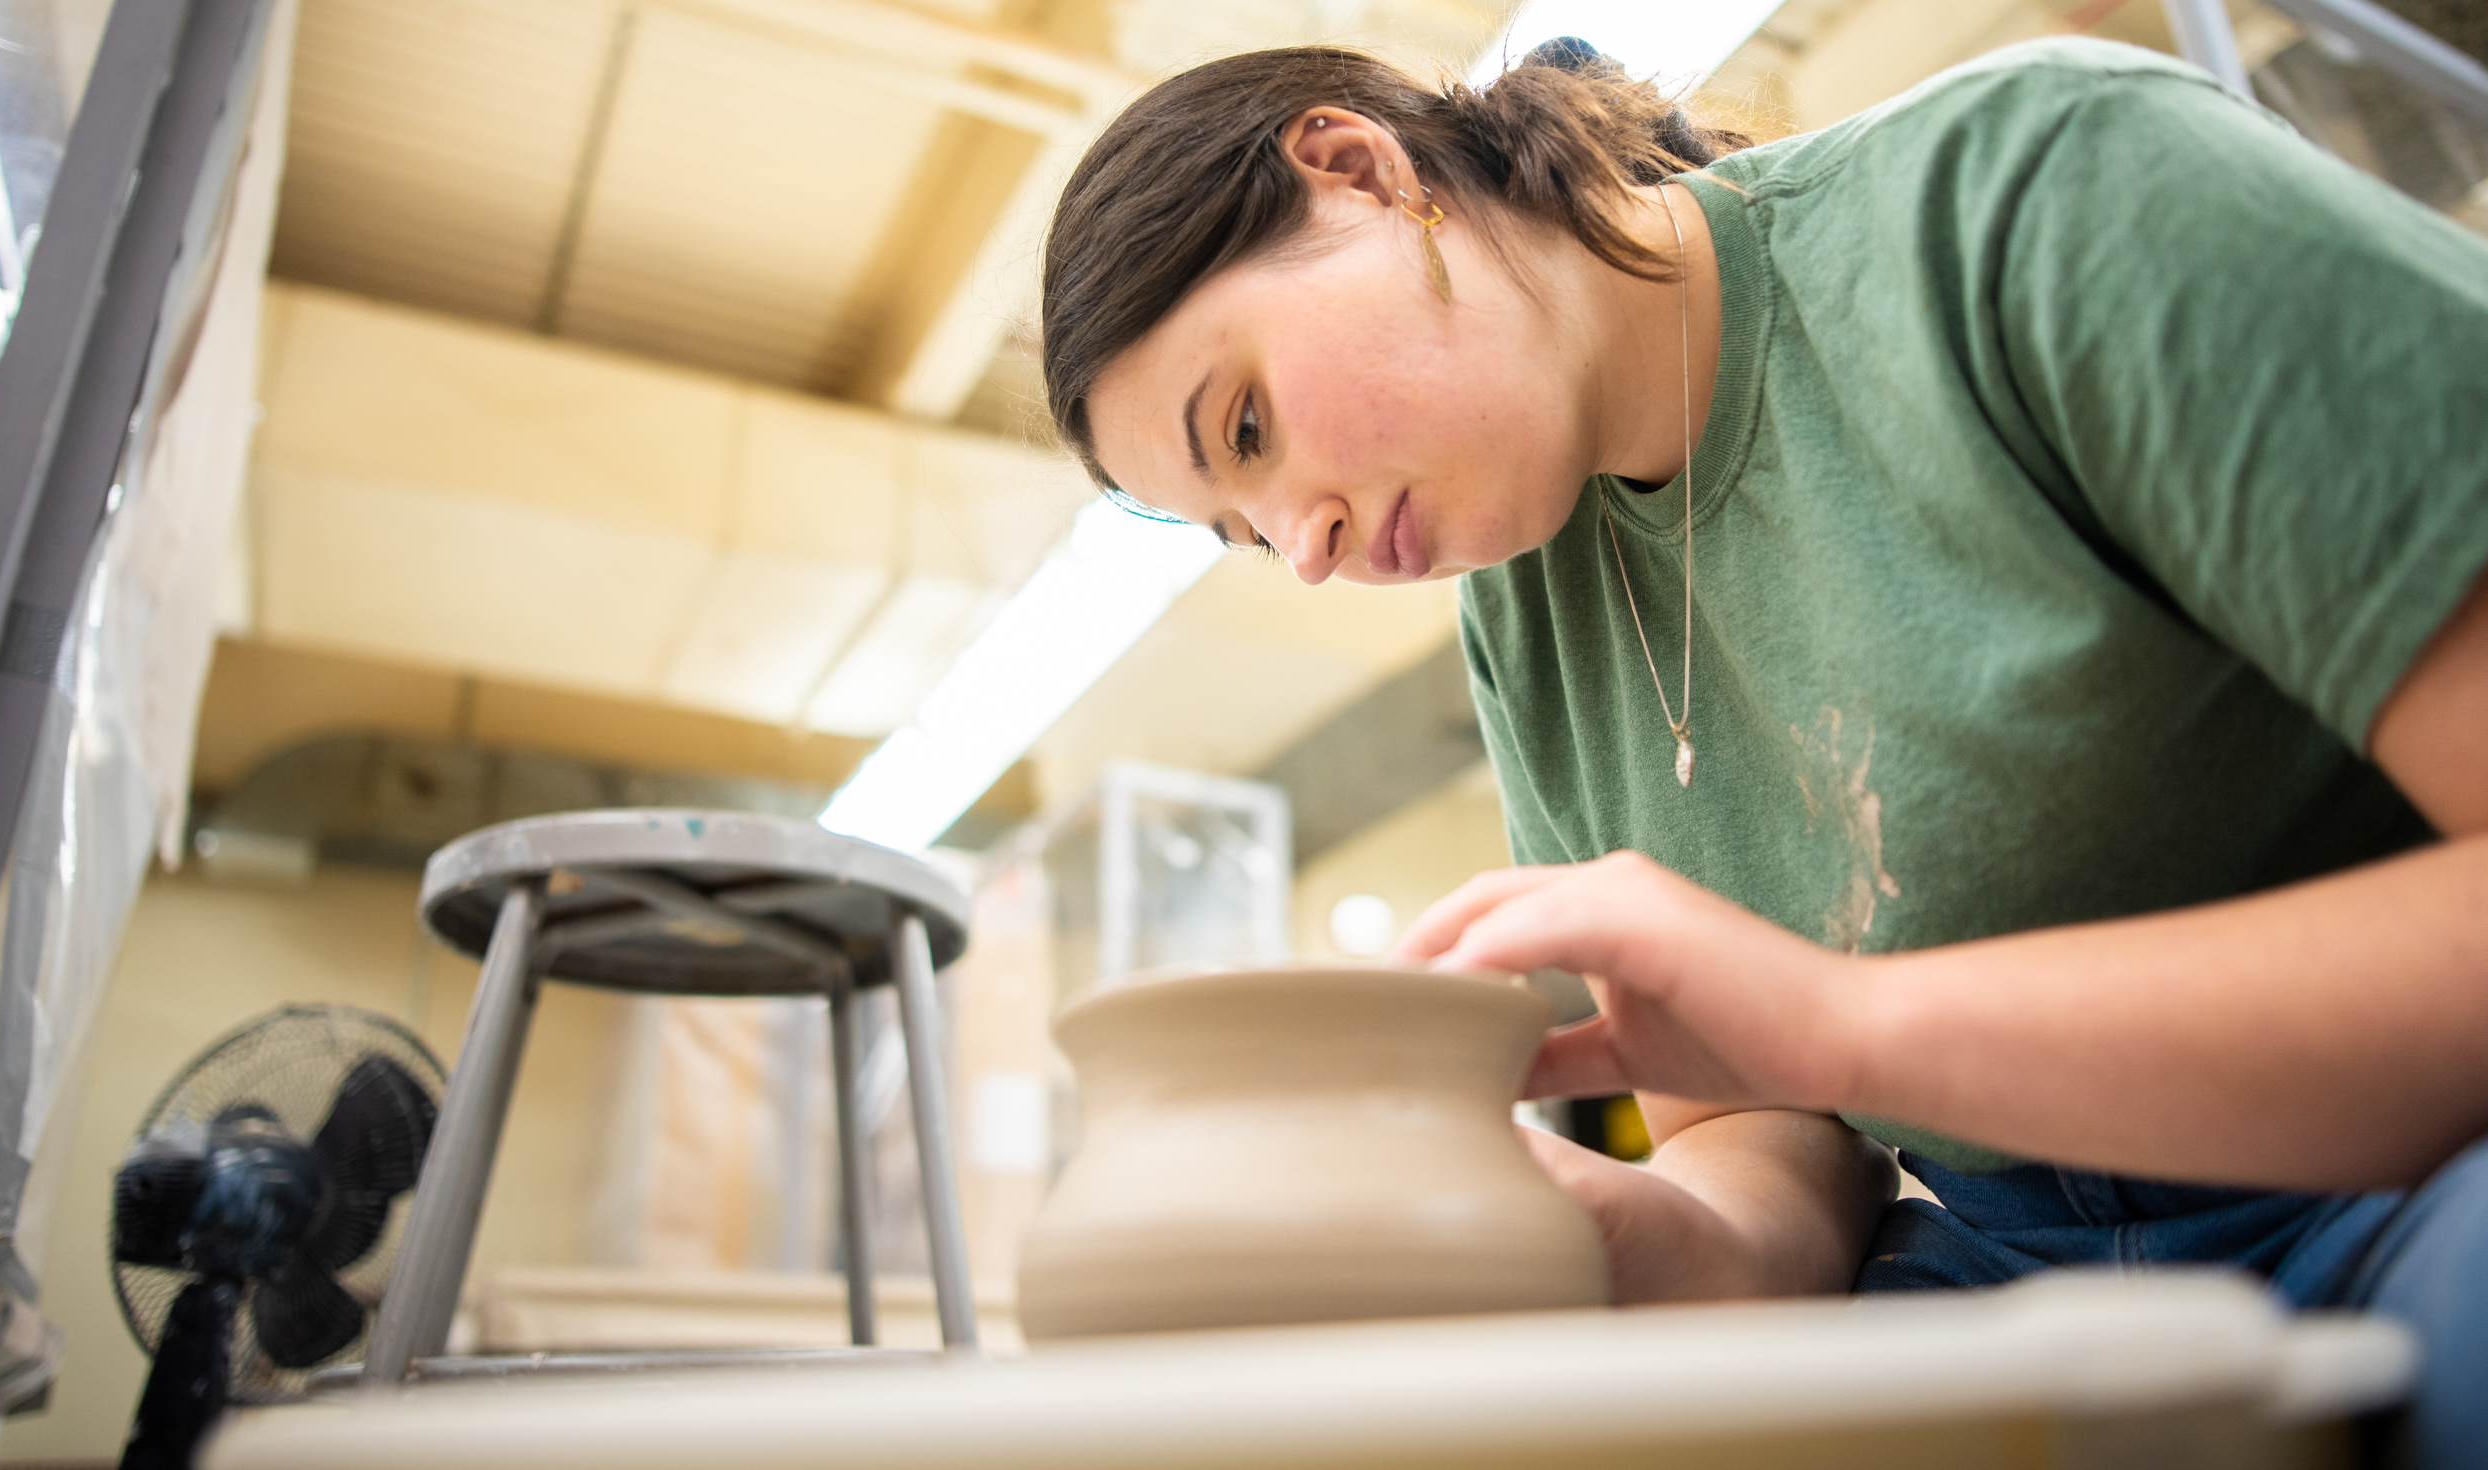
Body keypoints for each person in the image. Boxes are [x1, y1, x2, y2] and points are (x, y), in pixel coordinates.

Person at [1039, 31, 2488, 1466]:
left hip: (2411, 1169)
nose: (1305, 544)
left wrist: (1845, 1023)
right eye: (1245, 533)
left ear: (1358, 170)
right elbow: (1752, 1126)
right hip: (2015, 1255)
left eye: (1248, 423)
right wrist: (1640, 1233)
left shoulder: (2040, 197)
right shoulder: (1526, 610)